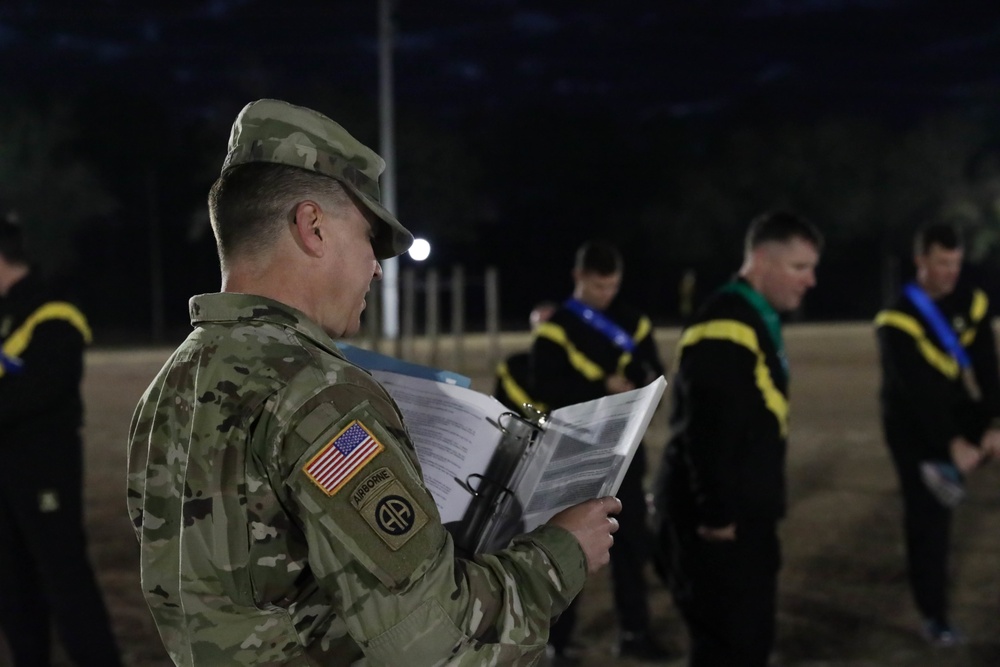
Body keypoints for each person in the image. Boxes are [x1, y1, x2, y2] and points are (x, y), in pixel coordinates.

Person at [126, 98, 623, 666]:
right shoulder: (318, 393)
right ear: (312, 227)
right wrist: (564, 552)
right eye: (369, 239)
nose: (378, 268)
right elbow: (434, 644)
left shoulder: (171, 384)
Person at [654, 210, 822, 667]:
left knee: (747, 645)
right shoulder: (726, 322)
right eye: (799, 267)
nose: (810, 281)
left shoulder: (750, 317)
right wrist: (718, 513)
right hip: (718, 527)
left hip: (741, 519)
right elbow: (710, 428)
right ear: (762, 260)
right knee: (729, 649)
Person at [529, 240, 672, 664]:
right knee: (566, 547)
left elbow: (653, 374)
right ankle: (556, 643)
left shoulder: (634, 323)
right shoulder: (556, 329)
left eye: (612, 286)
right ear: (579, 278)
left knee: (631, 549)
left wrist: (640, 382)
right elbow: (544, 393)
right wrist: (602, 389)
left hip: (626, 456)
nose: (606, 294)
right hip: (574, 456)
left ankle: (634, 632)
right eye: (598, 286)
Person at [0, 214, 124, 666]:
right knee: (12, 587)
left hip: (43, 470)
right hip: (5, 474)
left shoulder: (53, 311)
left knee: (63, 580)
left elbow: (40, 389)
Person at [874, 222, 1000, 646]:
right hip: (911, 423)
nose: (950, 272)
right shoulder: (895, 320)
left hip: (953, 406)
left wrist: (994, 425)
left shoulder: (972, 302)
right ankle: (935, 616)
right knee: (931, 515)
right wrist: (954, 443)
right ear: (921, 261)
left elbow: (988, 369)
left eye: (956, 263)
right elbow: (920, 395)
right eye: (942, 263)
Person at [493, 300, 557, 417]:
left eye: (549, 326)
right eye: (540, 325)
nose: (544, 332)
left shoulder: (578, 368)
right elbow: (498, 410)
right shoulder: (512, 367)